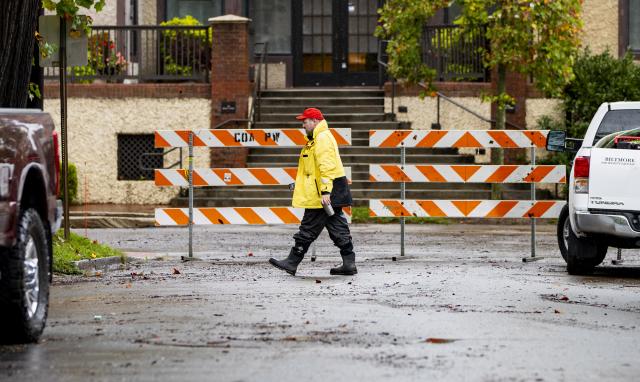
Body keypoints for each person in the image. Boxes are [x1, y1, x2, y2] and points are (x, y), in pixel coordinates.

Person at [269, 107, 356, 276]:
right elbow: (313, 169)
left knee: (308, 227)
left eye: (305, 121)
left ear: (315, 121)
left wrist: (325, 191)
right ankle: (349, 263)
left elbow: (327, 166)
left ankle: (292, 262)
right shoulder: (317, 138)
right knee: (337, 226)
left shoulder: (322, 138)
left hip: (324, 192)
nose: (303, 125)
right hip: (329, 189)